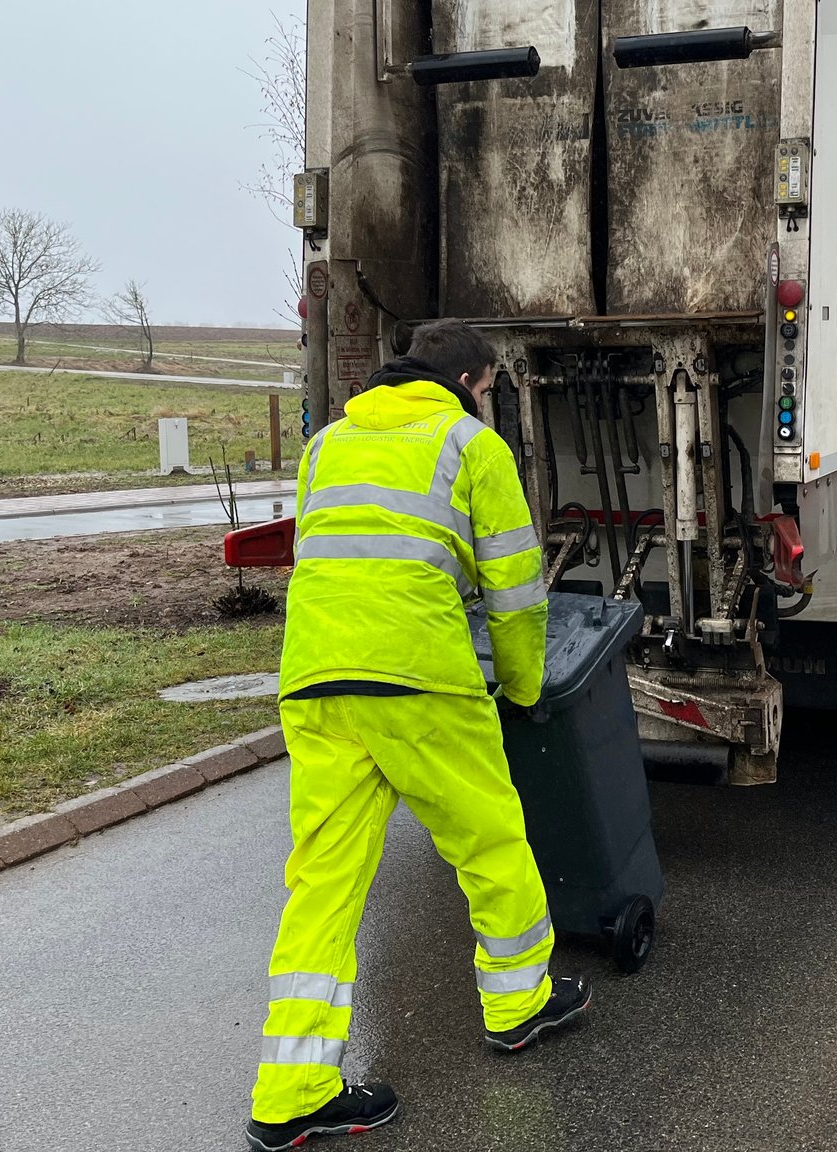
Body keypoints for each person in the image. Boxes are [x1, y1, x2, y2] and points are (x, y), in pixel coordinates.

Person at [244, 320, 591, 1151]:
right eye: (489, 390)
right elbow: (514, 591)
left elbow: (330, 555)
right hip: (420, 680)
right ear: (472, 381)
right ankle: (518, 1005)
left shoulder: (327, 445)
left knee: (322, 883)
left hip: (318, 682)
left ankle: (289, 1093)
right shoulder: (471, 445)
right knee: (490, 840)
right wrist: (522, 685)